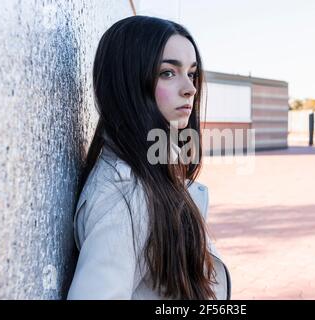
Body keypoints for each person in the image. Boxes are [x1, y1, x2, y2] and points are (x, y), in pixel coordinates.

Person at [66, 15, 231, 300]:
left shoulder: (156, 166)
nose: (190, 88)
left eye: (191, 73)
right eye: (168, 72)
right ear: (127, 82)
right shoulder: (123, 195)